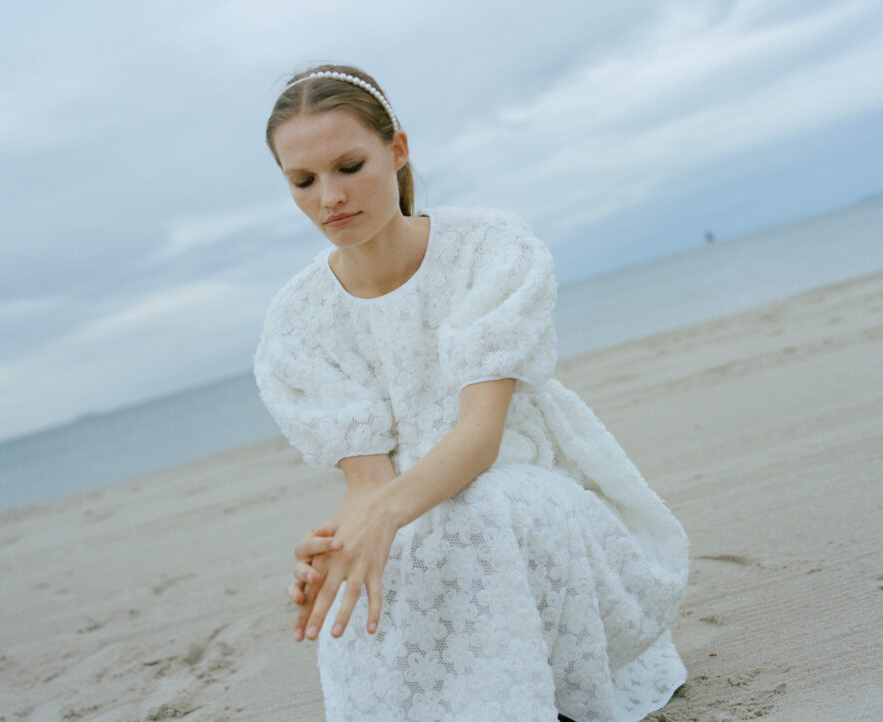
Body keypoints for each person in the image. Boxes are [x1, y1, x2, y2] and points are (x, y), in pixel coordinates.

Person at [254, 63, 690, 722]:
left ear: (397, 150)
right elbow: (370, 484)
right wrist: (336, 550)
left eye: (349, 166)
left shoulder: (489, 249)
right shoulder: (296, 321)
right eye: (303, 181)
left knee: (479, 510)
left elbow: (481, 438)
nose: (329, 197)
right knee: (371, 569)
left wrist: (384, 517)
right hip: (413, 515)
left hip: (525, 491)